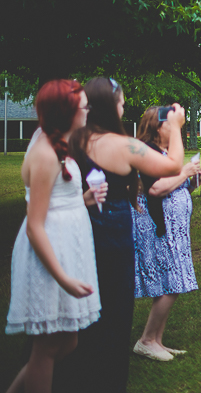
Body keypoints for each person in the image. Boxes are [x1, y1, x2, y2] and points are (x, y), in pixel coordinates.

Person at [59, 77, 186, 392]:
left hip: (78, 228)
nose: (124, 106)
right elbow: (173, 166)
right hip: (113, 233)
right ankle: (107, 380)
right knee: (114, 311)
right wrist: (176, 127)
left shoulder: (72, 140)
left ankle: (75, 374)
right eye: (120, 102)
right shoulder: (122, 144)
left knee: (83, 306)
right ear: (109, 107)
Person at [5, 80, 102, 393]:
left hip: (67, 249)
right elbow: (35, 224)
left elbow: (58, 202)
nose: (88, 110)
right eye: (83, 106)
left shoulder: (61, 146)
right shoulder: (45, 154)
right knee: (46, 348)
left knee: (68, 342)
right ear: (66, 111)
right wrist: (62, 278)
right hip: (49, 257)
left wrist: (84, 198)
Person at [131, 107, 201, 361]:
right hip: (157, 226)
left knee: (171, 282)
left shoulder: (163, 153)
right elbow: (156, 189)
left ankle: (157, 341)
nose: (176, 127)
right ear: (157, 127)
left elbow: (173, 188)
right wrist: (183, 173)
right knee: (169, 282)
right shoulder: (149, 152)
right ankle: (147, 340)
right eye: (170, 124)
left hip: (175, 230)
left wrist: (191, 181)